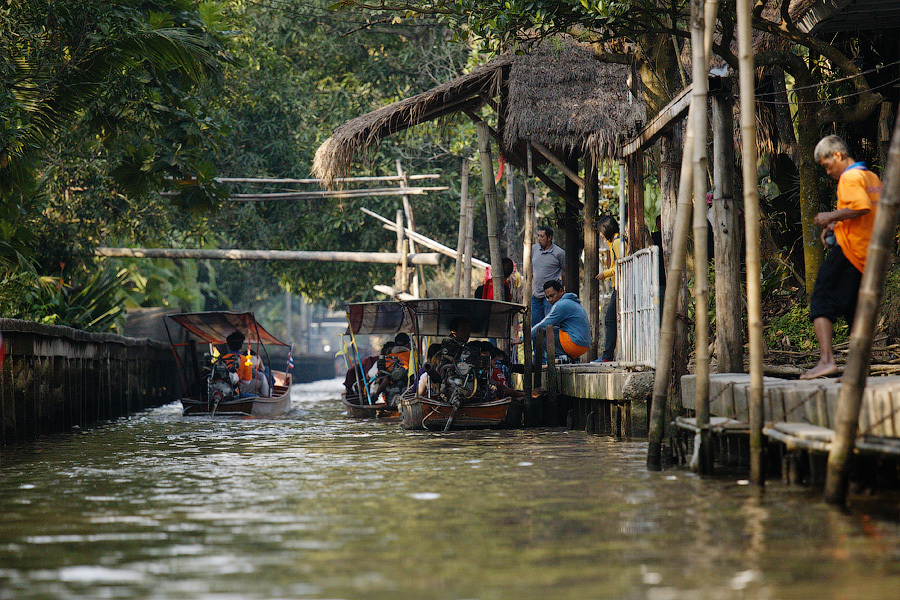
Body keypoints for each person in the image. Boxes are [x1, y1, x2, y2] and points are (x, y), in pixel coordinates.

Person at [801, 135, 881, 380]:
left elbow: (861, 207)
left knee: (821, 300)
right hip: (867, 255)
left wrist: (829, 216)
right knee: (854, 312)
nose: (827, 172)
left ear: (837, 155)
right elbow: (868, 214)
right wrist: (837, 223)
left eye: (826, 165)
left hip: (848, 252)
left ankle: (826, 360)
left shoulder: (850, 177)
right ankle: (858, 371)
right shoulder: (872, 178)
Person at [530, 280, 590, 363]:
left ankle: (561, 358)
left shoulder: (561, 305)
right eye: (547, 297)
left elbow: (544, 324)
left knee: (540, 333)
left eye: (552, 295)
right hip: (584, 345)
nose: (550, 300)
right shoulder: (572, 301)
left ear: (561, 291)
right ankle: (570, 359)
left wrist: (524, 338)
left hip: (575, 344)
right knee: (554, 329)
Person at [596, 216, 627, 362]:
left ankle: (607, 355)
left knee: (609, 320)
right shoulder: (614, 241)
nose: (601, 235)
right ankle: (608, 355)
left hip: (621, 286)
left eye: (601, 232)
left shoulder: (617, 242)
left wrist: (605, 273)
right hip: (619, 286)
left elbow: (620, 264)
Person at [531, 226, 565, 326]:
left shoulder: (559, 253)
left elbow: (565, 270)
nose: (539, 239)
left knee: (550, 325)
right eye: (538, 236)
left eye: (542, 236)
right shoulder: (534, 249)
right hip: (536, 295)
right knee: (535, 326)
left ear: (549, 238)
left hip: (551, 297)